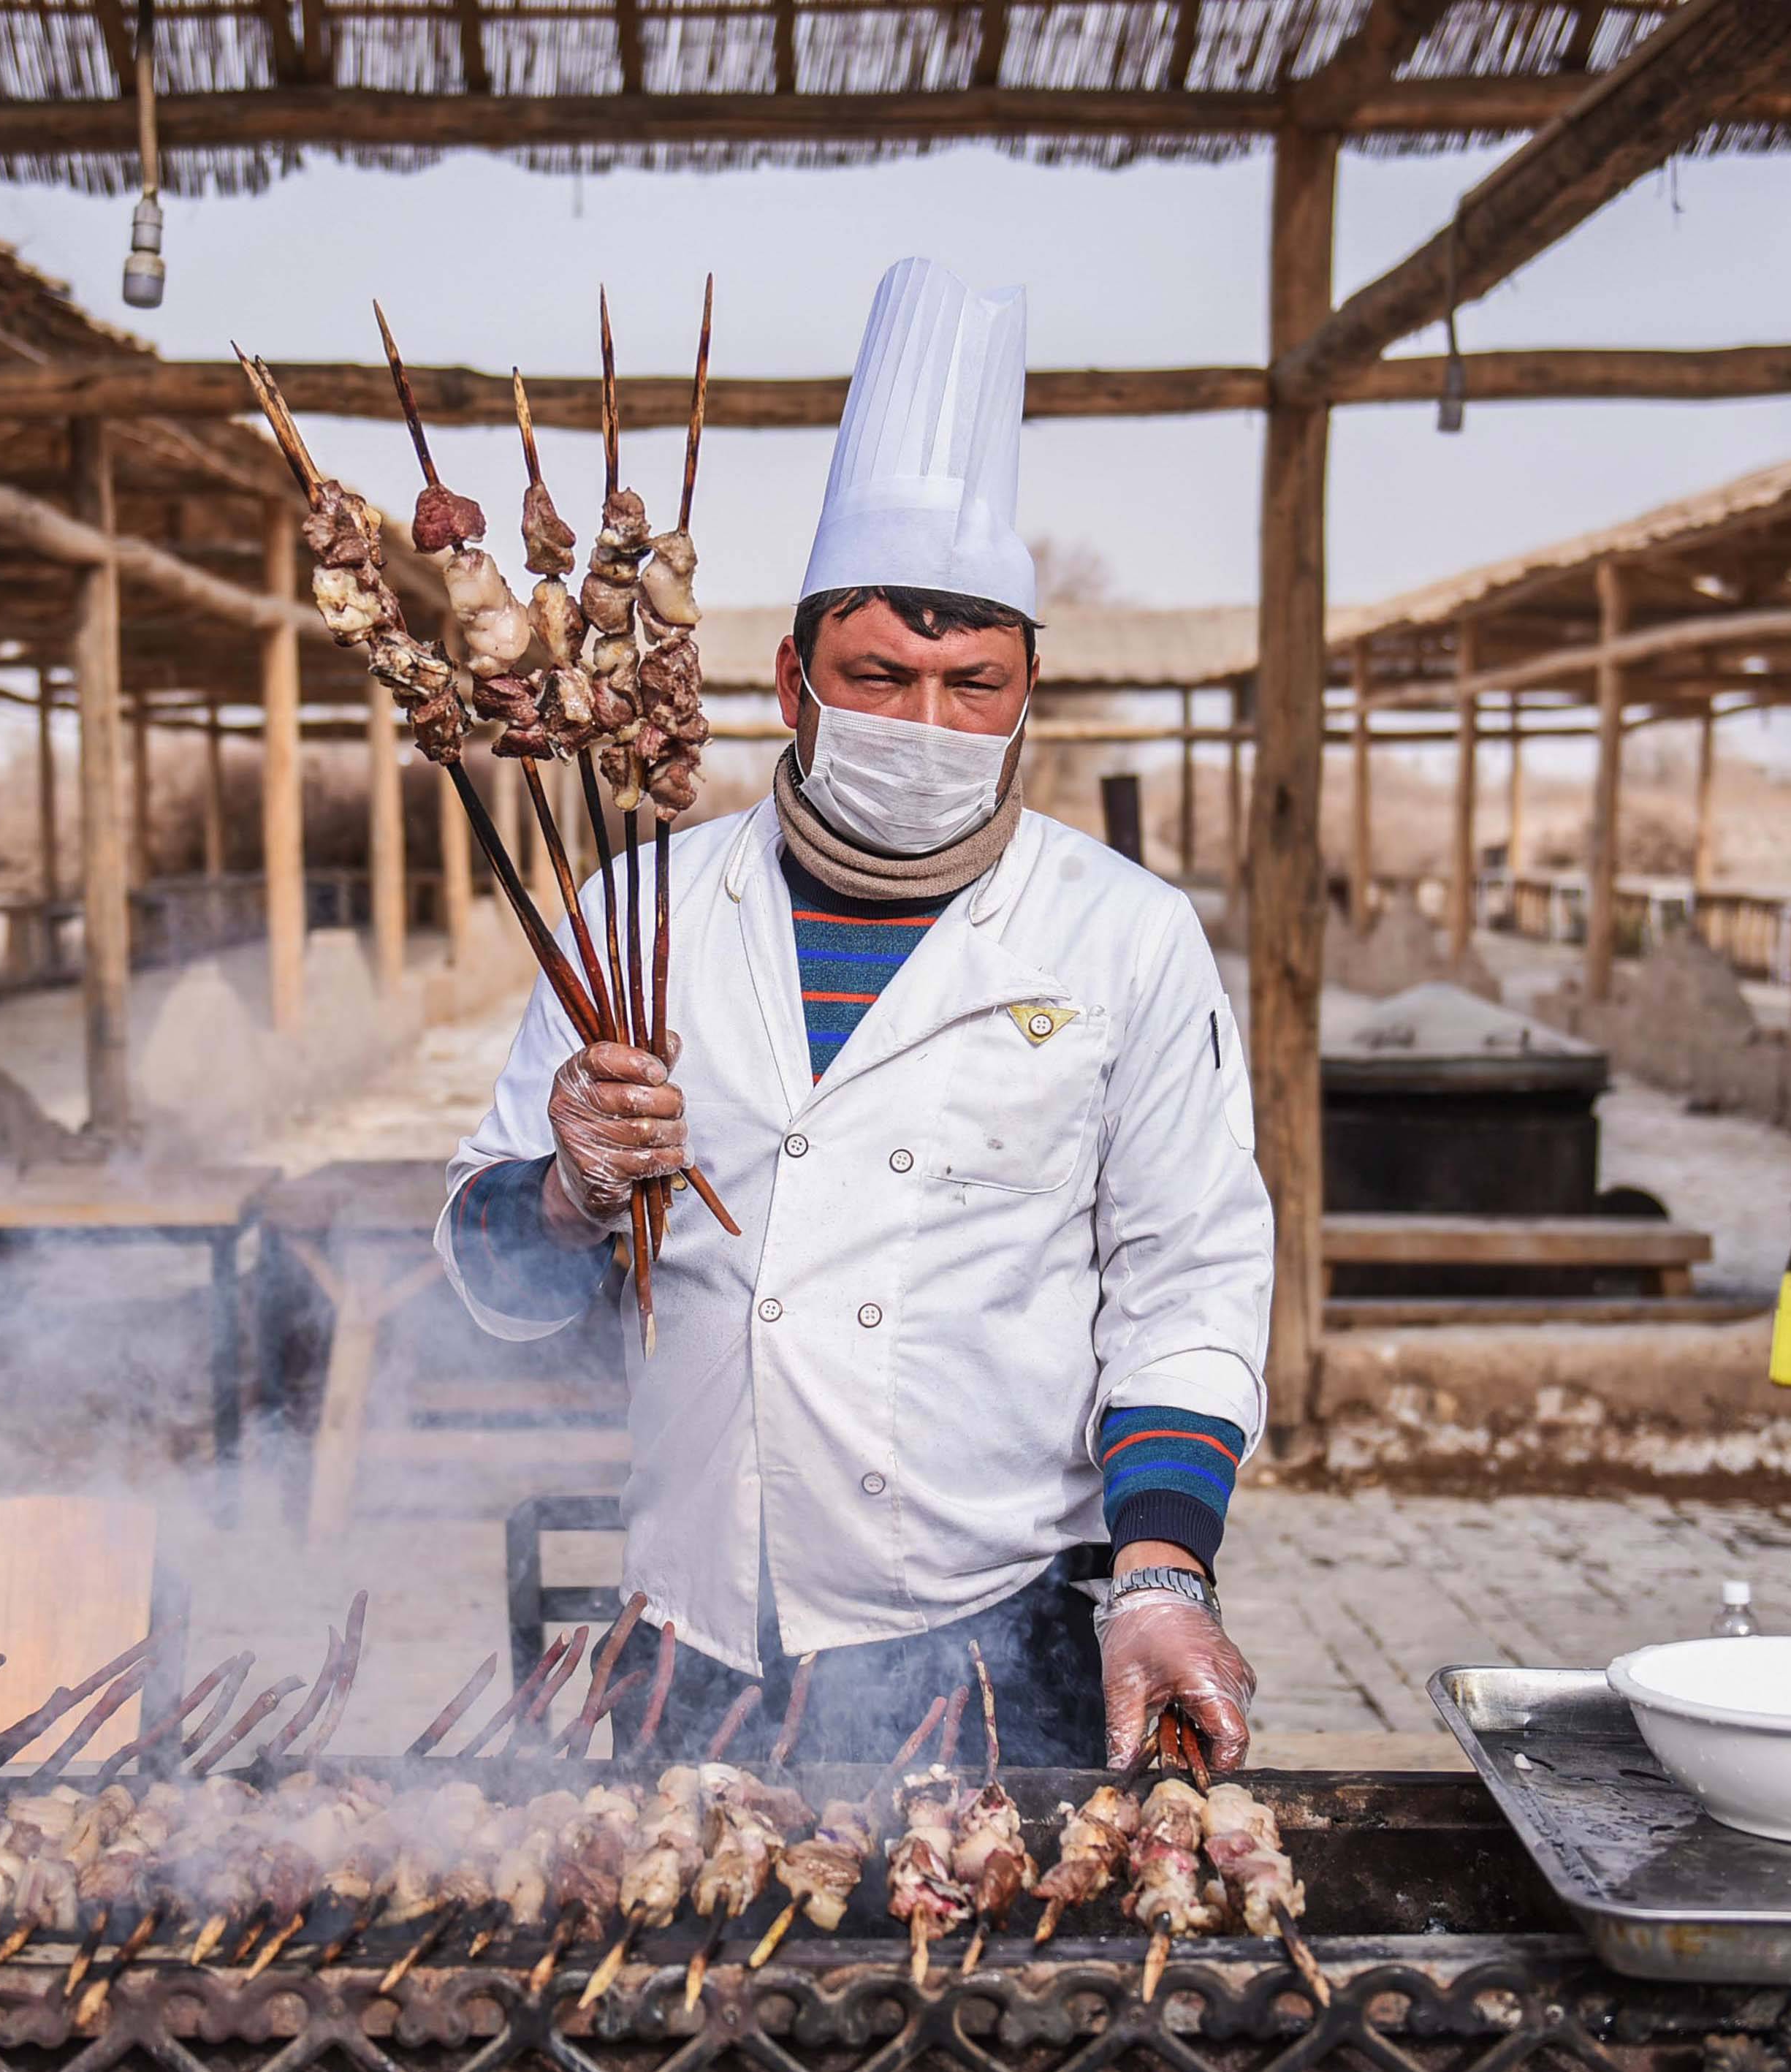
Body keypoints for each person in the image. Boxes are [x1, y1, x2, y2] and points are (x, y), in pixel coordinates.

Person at [434, 259, 1271, 1769]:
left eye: (972, 682)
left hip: (997, 1620)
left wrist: (1161, 1570)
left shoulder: (1124, 938)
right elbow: (490, 1278)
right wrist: (567, 1185)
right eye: (878, 673)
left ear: (1028, 693)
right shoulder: (642, 913)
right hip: (688, 1619)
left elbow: (1188, 1278)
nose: (927, 722)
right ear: (791, 681)